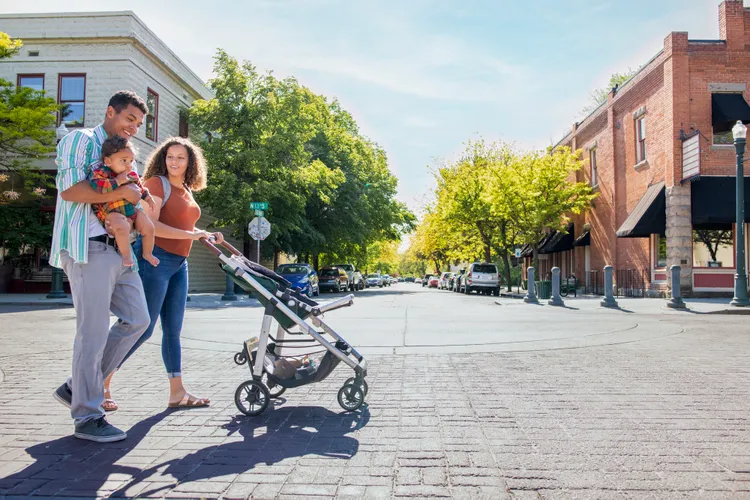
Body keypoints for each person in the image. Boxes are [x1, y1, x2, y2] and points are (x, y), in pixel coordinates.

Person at [51, 90, 151, 443]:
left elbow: (133, 197)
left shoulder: (128, 156)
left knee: (138, 319)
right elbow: (70, 191)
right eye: (129, 120)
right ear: (110, 112)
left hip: (121, 251)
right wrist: (122, 196)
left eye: (139, 124)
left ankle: (76, 387)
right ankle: (87, 416)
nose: (133, 128)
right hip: (87, 248)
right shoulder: (80, 140)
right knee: (91, 333)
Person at [103, 136, 223, 409]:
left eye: (181, 157)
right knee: (140, 328)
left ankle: (177, 393)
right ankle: (101, 382)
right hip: (155, 260)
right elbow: (151, 226)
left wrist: (202, 235)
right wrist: (193, 235)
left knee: (173, 332)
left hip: (180, 264)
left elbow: (184, 226)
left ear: (191, 162)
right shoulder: (158, 184)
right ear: (162, 158)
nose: (174, 162)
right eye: (170, 156)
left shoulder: (186, 190)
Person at [89, 135, 159, 268]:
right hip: (111, 211)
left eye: (131, 161)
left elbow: (140, 188)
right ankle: (126, 255)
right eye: (124, 160)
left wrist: (148, 197)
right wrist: (118, 181)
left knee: (149, 227)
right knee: (122, 228)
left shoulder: (131, 175)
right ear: (108, 161)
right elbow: (97, 186)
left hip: (131, 209)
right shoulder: (102, 173)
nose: (129, 165)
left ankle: (148, 254)